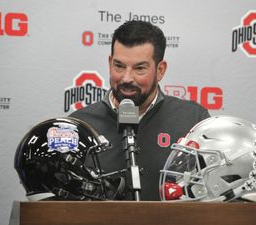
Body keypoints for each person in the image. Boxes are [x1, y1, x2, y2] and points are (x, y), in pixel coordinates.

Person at [70, 20, 210, 200]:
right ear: (110, 62)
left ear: (160, 70)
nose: (127, 78)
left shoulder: (193, 120)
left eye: (139, 68)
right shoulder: (79, 126)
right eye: (119, 66)